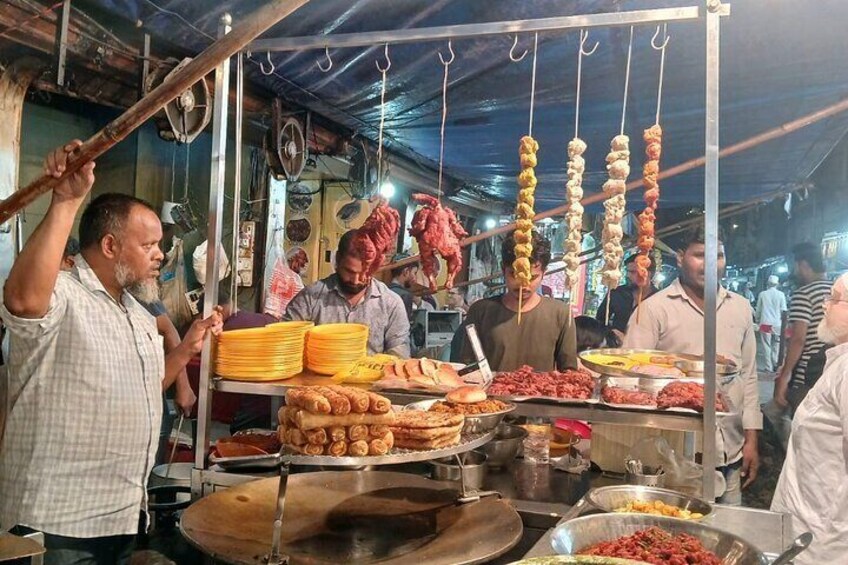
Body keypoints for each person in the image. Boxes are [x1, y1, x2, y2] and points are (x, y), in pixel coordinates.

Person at [0, 141, 223, 564]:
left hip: (119, 516)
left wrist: (189, 344)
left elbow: (144, 384)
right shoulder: (63, 293)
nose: (160, 255)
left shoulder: (136, 312)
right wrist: (66, 200)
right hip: (58, 523)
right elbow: (24, 301)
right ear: (109, 246)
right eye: (150, 245)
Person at [622, 224, 761, 506]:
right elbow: (628, 377)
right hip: (675, 460)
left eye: (719, 256)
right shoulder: (653, 309)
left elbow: (749, 377)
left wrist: (752, 438)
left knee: (726, 536)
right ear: (680, 257)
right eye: (700, 255)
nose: (711, 265)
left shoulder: (741, 308)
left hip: (729, 453)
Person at [770, 273, 848, 564]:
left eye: (835, 299)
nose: (825, 305)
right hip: (804, 536)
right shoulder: (839, 362)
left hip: (825, 547)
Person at [453, 231, 578, 372]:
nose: (523, 285)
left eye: (532, 278)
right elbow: (468, 367)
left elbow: (569, 372)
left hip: (539, 394)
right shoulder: (481, 311)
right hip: (491, 393)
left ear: (544, 273)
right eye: (514, 275)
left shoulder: (561, 314)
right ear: (503, 269)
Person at [285, 229, 410, 357]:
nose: (355, 280)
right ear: (337, 260)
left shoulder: (391, 303)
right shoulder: (310, 298)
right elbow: (284, 341)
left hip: (370, 376)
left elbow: (399, 354)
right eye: (349, 271)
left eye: (364, 274)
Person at [774, 242, 832, 414]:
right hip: (834, 371)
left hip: (808, 374)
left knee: (802, 427)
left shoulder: (803, 294)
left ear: (804, 265)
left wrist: (784, 376)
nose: (795, 272)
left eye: (796, 266)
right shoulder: (837, 290)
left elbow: (798, 340)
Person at [596, 253, 657, 339]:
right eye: (627, 271)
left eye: (633, 272)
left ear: (648, 274)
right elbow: (599, 320)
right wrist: (611, 333)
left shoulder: (658, 299)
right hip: (615, 349)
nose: (628, 275)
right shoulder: (616, 293)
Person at [755, 275, 787, 372]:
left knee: (766, 345)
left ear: (768, 284)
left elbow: (758, 310)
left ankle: (768, 367)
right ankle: (776, 363)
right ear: (777, 284)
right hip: (777, 324)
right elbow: (784, 310)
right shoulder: (781, 295)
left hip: (765, 323)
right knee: (776, 344)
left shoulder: (762, 294)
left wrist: (757, 320)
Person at [387, 254, 418, 320]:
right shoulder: (405, 295)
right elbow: (404, 326)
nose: (415, 278)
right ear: (406, 272)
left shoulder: (385, 290)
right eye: (414, 273)